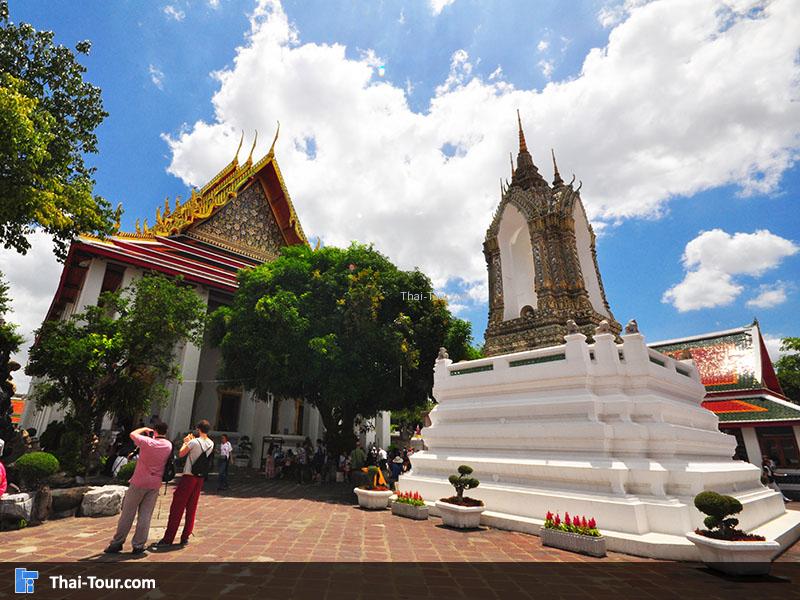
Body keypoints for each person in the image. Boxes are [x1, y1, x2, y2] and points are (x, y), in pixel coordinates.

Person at [104, 422, 172, 555]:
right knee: (146, 516)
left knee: (127, 514)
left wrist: (145, 429)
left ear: (155, 431)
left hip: (139, 482)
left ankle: (117, 543)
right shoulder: (168, 445)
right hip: (154, 483)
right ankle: (139, 545)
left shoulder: (147, 442)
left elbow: (132, 434)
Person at [155, 420, 214, 548]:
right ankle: (185, 536)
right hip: (200, 478)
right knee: (192, 507)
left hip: (189, 476)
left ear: (198, 429)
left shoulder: (194, 442)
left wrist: (186, 442)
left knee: (177, 507)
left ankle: (168, 538)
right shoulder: (211, 443)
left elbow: (181, 453)